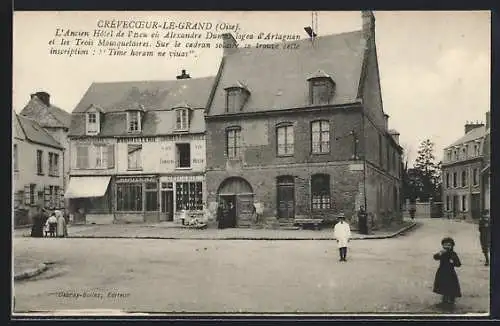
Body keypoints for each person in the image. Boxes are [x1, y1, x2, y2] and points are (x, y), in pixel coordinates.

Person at [433, 237, 462, 308]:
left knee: (451, 286)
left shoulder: (453, 254)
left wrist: (453, 262)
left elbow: (458, 264)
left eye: (449, 245)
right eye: (445, 245)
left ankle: (452, 300)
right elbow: (435, 257)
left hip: (450, 273)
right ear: (442, 245)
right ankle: (444, 301)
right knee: (443, 285)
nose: (447, 247)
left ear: (452, 246)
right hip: (442, 272)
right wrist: (439, 254)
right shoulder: (442, 253)